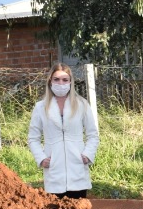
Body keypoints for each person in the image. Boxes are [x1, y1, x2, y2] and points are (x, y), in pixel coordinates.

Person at [28, 63, 99, 199]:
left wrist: (87, 154)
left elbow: (92, 135)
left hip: (77, 168)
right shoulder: (40, 107)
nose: (61, 83)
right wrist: (41, 158)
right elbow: (33, 138)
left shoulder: (82, 104)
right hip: (54, 170)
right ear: (50, 81)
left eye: (65, 80)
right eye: (56, 79)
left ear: (70, 82)